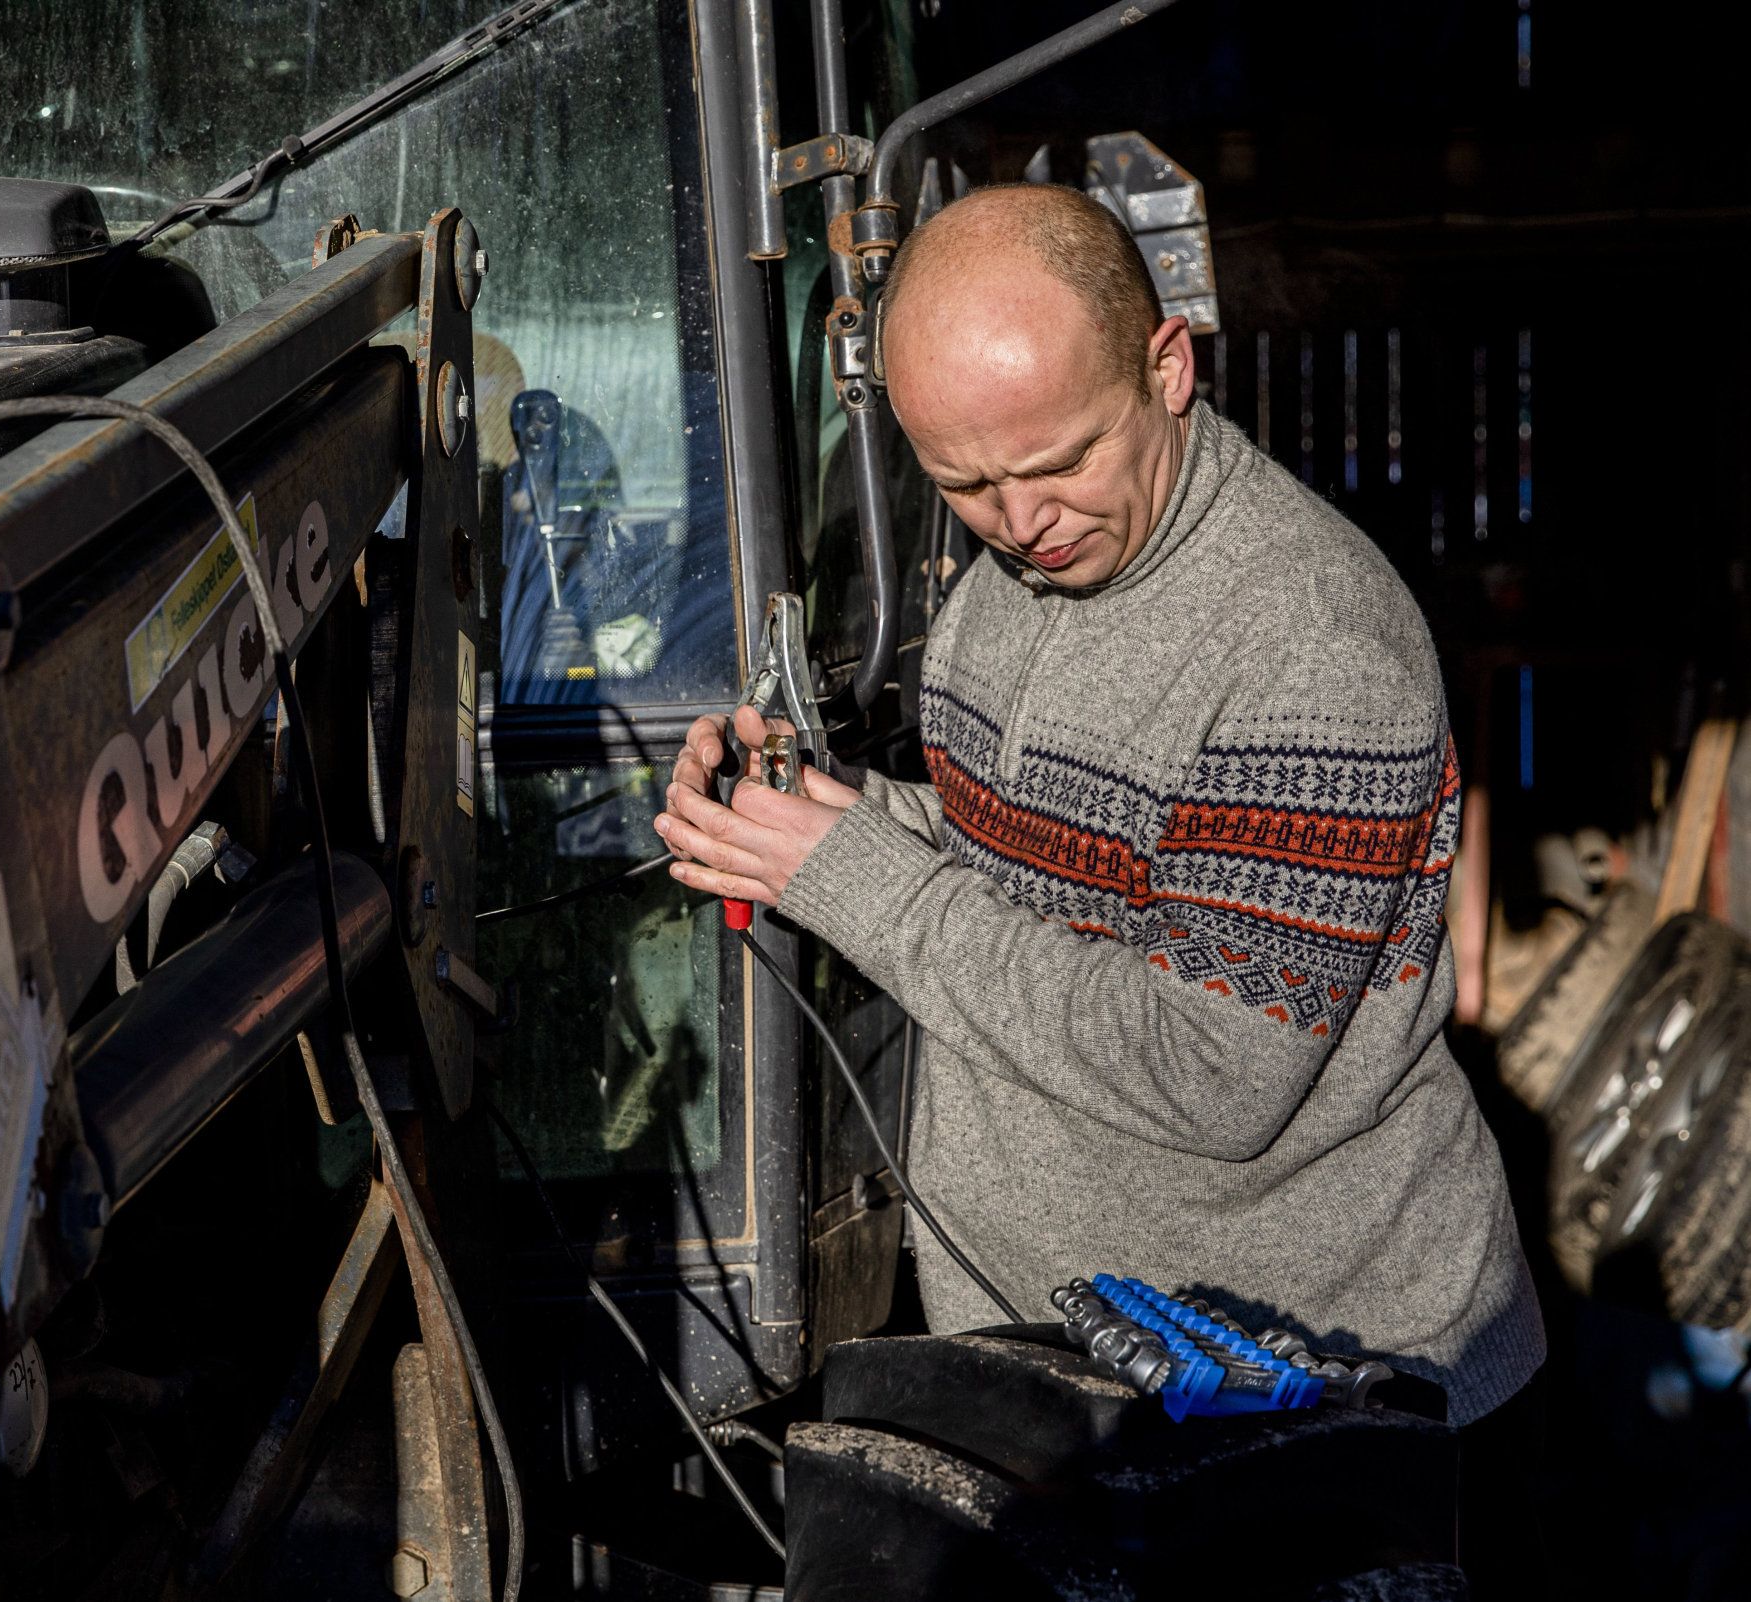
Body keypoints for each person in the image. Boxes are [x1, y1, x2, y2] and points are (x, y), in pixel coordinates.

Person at [654, 183, 1544, 1434]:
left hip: (1303, 1386)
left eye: (1061, 460)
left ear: (1166, 367)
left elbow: (1212, 1073)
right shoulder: (1022, 565)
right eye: (964, 481)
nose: (1022, 523)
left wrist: (850, 877)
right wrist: (816, 815)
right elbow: (1022, 859)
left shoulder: (1311, 650)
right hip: (1066, 1355)